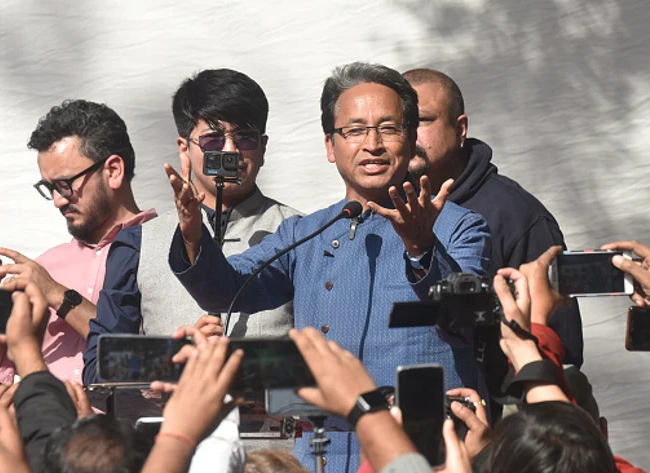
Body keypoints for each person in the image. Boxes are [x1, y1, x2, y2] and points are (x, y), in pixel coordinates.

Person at [167, 62, 491, 472]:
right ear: (329, 145)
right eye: (354, 130)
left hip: (423, 454)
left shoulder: (459, 225)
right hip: (322, 456)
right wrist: (194, 233)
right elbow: (225, 289)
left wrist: (422, 245)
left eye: (388, 128)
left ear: (410, 140)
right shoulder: (306, 232)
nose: (372, 144)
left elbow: (466, 317)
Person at [83, 68, 301, 385]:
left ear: (263, 147)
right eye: (213, 139)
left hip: (272, 433)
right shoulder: (138, 242)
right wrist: (177, 356)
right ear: (184, 148)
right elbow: (99, 368)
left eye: (244, 138)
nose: (230, 151)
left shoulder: (305, 233)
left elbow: (324, 359)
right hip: (172, 428)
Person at [401, 68, 585, 416]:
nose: (409, 135)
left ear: (461, 128)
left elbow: (563, 347)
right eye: (400, 123)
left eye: (422, 120)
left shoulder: (517, 216)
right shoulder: (380, 205)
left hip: (493, 429)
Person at [0, 99, 157, 386]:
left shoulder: (171, 252)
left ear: (114, 170)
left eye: (65, 184)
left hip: (126, 429)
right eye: (49, 187)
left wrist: (55, 293)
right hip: (45, 428)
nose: (57, 200)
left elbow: (148, 359)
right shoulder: (45, 265)